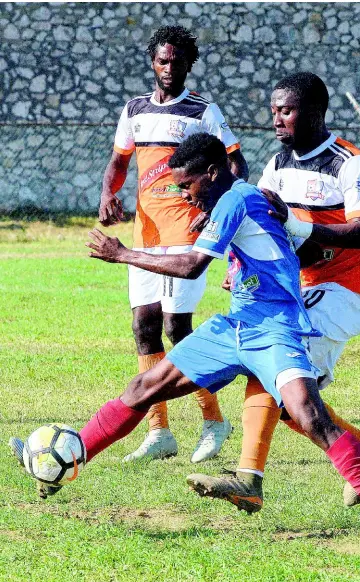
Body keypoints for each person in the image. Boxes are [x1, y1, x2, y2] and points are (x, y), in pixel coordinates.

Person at [9, 133, 360, 550]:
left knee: (311, 418)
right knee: (144, 387)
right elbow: (281, 247)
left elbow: (193, 265)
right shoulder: (233, 201)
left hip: (275, 330)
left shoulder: (237, 198)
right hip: (236, 325)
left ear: (213, 173)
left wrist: (122, 254)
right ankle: (71, 455)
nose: (183, 194)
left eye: (187, 185)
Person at [187, 72, 360, 515]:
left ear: (316, 112)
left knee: (276, 371)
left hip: (348, 289)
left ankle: (247, 480)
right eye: (274, 111)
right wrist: (240, 267)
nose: (277, 119)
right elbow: (261, 224)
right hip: (298, 289)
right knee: (286, 399)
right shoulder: (278, 165)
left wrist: (299, 225)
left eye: (287, 110)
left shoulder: (349, 162)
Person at [98, 26, 248, 463]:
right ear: (153, 62)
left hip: (186, 233)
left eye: (177, 61)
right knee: (144, 326)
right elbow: (117, 161)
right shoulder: (135, 109)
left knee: (176, 328)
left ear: (188, 64)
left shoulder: (202, 111)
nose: (169, 68)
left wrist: (215, 207)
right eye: (163, 61)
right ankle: (159, 431)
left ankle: (213, 420)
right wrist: (109, 193)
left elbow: (235, 162)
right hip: (147, 234)